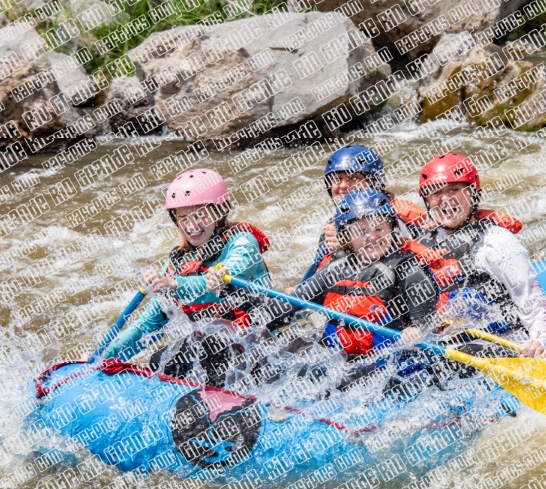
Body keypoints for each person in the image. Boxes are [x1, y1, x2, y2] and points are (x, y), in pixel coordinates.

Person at [99, 169, 271, 386]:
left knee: (212, 349)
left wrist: (174, 284)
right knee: (162, 360)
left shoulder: (243, 243)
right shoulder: (179, 262)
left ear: (221, 211)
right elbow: (148, 324)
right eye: (183, 218)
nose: (191, 226)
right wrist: (106, 356)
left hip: (254, 351)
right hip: (210, 353)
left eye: (200, 215)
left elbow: (230, 275)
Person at [262, 188, 438, 361]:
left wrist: (416, 331)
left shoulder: (408, 269)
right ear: (347, 236)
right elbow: (291, 306)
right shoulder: (334, 269)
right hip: (337, 361)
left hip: (387, 363)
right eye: (361, 232)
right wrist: (258, 320)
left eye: (379, 228)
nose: (372, 237)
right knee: (287, 343)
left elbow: (426, 321)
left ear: (391, 229)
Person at [411, 154, 546, 357]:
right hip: (450, 347)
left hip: (505, 344)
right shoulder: (423, 245)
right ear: (427, 200)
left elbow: (536, 309)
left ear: (473, 193)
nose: (445, 199)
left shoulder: (497, 242)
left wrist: (540, 342)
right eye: (435, 193)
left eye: (454, 190)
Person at [298, 144, 427, 284]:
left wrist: (347, 244)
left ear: (374, 183)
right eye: (337, 179)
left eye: (354, 178)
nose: (342, 186)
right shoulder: (338, 221)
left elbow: (399, 258)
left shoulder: (393, 216)